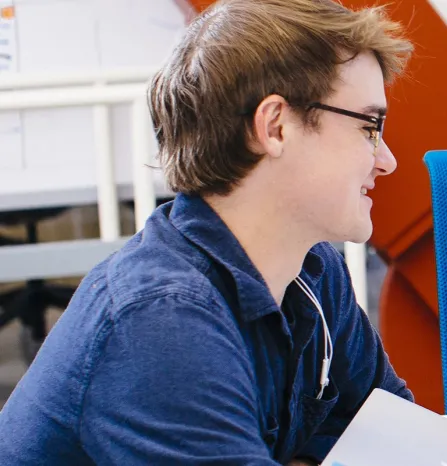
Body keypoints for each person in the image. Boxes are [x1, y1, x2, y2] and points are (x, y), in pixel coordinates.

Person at [0, 1, 414, 464]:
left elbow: (403, 445)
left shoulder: (313, 270)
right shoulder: (160, 321)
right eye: (368, 126)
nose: (386, 160)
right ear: (275, 126)